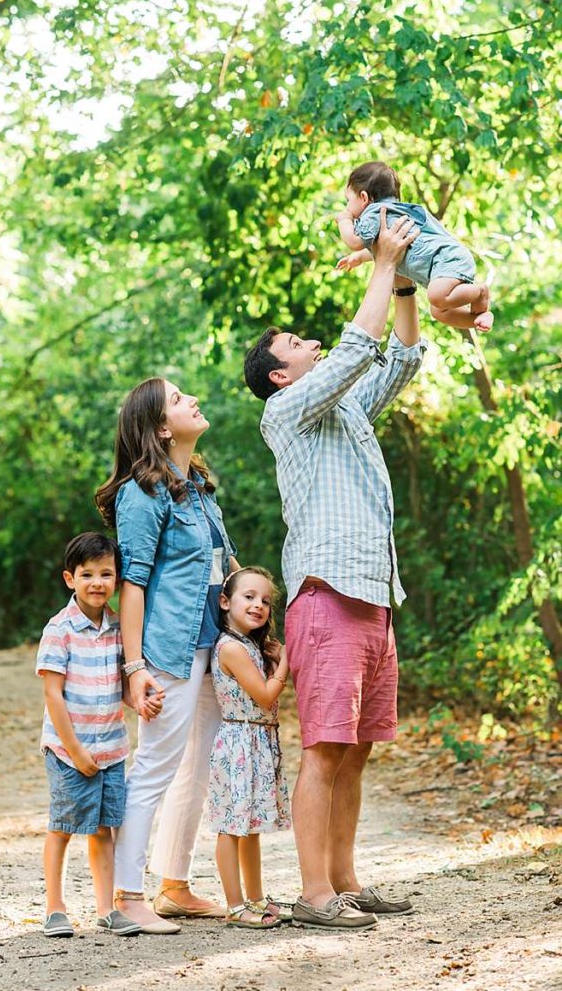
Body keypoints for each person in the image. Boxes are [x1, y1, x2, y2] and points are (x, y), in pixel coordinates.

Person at [243, 208, 424, 931]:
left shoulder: (344, 412)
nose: (309, 340)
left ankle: (345, 881)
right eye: (295, 342)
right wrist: (379, 263)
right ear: (281, 372)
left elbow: (400, 357)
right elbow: (355, 348)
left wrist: (404, 281)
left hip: (375, 597)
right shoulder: (285, 412)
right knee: (323, 750)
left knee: (356, 752)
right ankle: (314, 894)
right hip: (326, 599)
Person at [95, 377, 239, 934]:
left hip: (214, 643)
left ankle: (172, 886)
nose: (192, 400)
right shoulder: (142, 493)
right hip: (168, 649)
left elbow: (219, 567)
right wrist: (133, 670)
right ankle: (125, 898)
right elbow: (132, 585)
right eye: (178, 400)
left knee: (197, 766)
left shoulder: (197, 488)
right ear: (159, 426)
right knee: (154, 767)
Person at [36, 532, 147, 938]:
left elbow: (119, 683)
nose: (97, 582)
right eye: (87, 574)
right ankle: (54, 908)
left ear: (116, 579)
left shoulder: (119, 627)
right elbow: (53, 693)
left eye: (106, 573)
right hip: (69, 750)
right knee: (63, 825)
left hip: (112, 747)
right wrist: (75, 749)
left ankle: (105, 909)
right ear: (70, 579)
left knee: (104, 828)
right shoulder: (59, 629)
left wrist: (140, 702)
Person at [208, 567, 291, 930]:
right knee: (231, 826)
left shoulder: (250, 646)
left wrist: (271, 658)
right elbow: (266, 694)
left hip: (256, 741)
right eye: (249, 597)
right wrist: (285, 661)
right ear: (225, 602)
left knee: (251, 825)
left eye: (266, 601)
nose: (258, 605)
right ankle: (234, 904)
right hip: (239, 744)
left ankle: (256, 898)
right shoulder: (231, 648)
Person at [336, 159, 493, 333]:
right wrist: (359, 258)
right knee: (439, 311)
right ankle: (479, 316)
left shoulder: (375, 211)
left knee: (436, 296)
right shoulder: (390, 214)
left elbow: (354, 241)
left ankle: (480, 292)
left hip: (446, 258)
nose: (347, 206)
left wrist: (344, 220)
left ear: (364, 197)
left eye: (348, 200)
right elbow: (381, 246)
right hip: (447, 262)